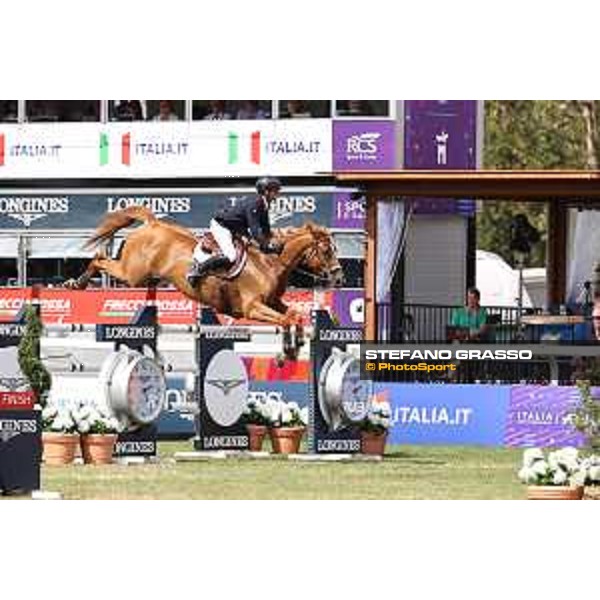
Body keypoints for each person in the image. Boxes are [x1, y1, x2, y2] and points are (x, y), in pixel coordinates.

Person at [186, 177, 284, 285]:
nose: (278, 193)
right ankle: (197, 270)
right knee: (231, 256)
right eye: (275, 190)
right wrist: (266, 245)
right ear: (266, 191)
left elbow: (266, 228)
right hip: (222, 227)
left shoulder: (264, 204)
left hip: (234, 228)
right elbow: (255, 230)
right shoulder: (256, 203)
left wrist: (272, 240)